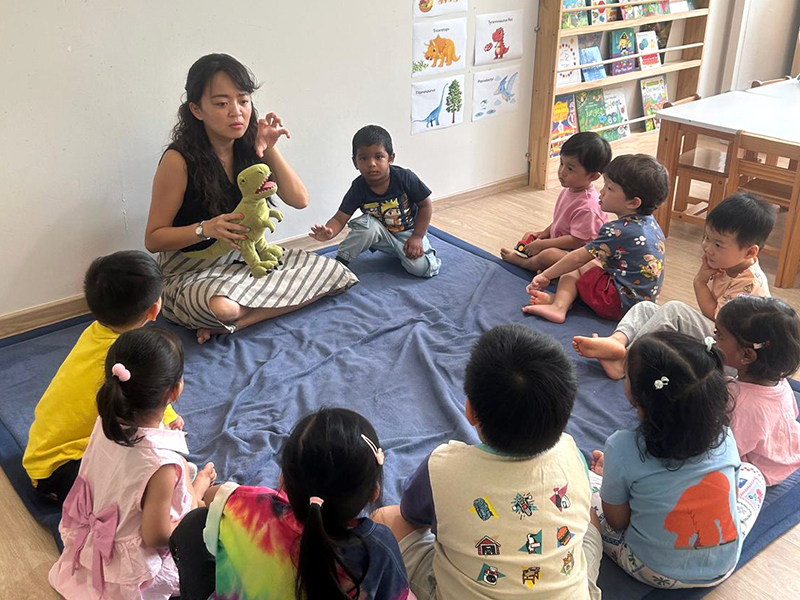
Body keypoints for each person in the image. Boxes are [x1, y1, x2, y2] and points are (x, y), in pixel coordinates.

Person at [372, 325, 602, 600]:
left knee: (387, 518)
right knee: (588, 520)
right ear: (564, 415)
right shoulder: (571, 450)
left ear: (469, 410)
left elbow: (412, 515)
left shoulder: (443, 466)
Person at [145, 53, 357, 344]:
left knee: (333, 270)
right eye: (221, 103)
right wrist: (205, 228)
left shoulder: (249, 146)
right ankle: (236, 314)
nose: (237, 112)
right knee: (223, 306)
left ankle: (242, 321)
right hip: (188, 273)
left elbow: (300, 199)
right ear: (197, 109)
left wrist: (268, 148)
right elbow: (154, 239)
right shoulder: (177, 160)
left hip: (245, 259)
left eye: (243, 100)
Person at [169, 407, 412, 600]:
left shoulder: (247, 505)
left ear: (282, 480)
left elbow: (214, 495)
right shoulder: (379, 549)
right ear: (374, 492)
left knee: (195, 522)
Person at [49, 327, 216, 600]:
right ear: (175, 391)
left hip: (98, 539)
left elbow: (129, 465)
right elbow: (157, 536)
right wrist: (195, 501)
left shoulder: (107, 420)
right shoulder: (162, 465)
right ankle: (198, 493)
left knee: (180, 472)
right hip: (128, 572)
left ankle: (195, 489)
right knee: (202, 519)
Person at [590, 332, 765, 589]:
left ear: (638, 400)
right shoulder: (725, 435)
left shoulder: (622, 446)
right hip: (723, 565)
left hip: (651, 568)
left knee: (579, 487)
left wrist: (609, 479)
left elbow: (617, 522)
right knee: (753, 473)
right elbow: (729, 490)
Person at [23, 251, 181, 503]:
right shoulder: (126, 357)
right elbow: (145, 397)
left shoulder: (94, 332)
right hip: (63, 469)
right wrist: (170, 418)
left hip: (40, 452)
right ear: (154, 310)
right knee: (147, 478)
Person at [573, 193, 775, 379]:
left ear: (749, 252)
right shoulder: (728, 264)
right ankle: (617, 341)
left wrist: (700, 281)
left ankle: (626, 363)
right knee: (646, 307)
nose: (707, 247)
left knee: (674, 311)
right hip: (717, 338)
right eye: (706, 238)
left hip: (732, 358)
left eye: (718, 244)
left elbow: (717, 316)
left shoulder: (749, 283)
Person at [523, 154, 668, 323]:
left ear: (633, 203)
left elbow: (577, 258)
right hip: (640, 307)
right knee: (591, 264)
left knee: (576, 264)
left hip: (617, 304)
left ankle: (559, 307)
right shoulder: (652, 225)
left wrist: (546, 275)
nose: (602, 191)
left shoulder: (617, 230)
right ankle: (560, 299)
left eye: (610, 188)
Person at [309, 125, 441, 278]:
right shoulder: (358, 187)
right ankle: (340, 262)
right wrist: (329, 233)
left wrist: (417, 236)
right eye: (363, 158)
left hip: (408, 233)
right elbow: (340, 218)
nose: (371, 163)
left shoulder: (404, 177)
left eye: (378, 157)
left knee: (422, 269)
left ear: (390, 158)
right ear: (355, 162)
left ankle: (403, 252)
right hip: (379, 235)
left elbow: (425, 205)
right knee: (367, 226)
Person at [715, 296, 800, 485]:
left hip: (764, 475)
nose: (714, 338)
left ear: (747, 355)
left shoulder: (738, 402)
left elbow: (726, 455)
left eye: (719, 335)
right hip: (789, 455)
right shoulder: (780, 381)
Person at [500, 132, 611, 272]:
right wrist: (544, 233)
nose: (562, 172)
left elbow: (578, 241)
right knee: (530, 236)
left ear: (593, 176)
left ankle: (525, 264)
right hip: (563, 245)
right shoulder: (571, 190)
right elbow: (562, 220)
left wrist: (544, 244)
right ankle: (541, 266)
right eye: (561, 163)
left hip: (582, 258)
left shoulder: (588, 207)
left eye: (570, 168)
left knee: (548, 255)